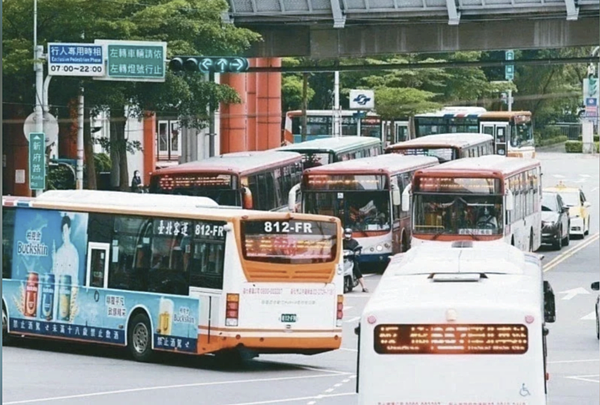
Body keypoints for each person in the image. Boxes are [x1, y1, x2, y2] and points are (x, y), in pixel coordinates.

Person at [53, 215, 80, 286]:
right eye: (62, 231)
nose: (64, 234)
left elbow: (74, 277)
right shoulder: (59, 252)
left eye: (65, 230)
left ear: (69, 230)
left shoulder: (73, 252)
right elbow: (56, 273)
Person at [342, 228, 368, 293]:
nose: (347, 235)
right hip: (342, 259)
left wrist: (356, 253)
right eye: (346, 234)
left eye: (348, 234)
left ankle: (364, 287)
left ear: (351, 234)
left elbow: (358, 249)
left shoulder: (354, 242)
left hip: (351, 259)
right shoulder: (342, 242)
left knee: (356, 269)